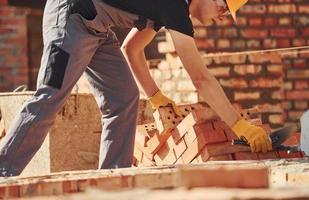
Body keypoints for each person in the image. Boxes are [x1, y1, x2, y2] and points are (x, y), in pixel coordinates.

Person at [0, 0, 272, 177]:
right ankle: (3, 171)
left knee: (124, 99)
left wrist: (156, 97)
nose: (224, 16)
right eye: (224, 7)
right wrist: (240, 126)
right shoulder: (175, 7)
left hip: (97, 30)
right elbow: (200, 78)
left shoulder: (171, 9)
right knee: (51, 95)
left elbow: (132, 49)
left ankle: (110, 181)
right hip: (70, 15)